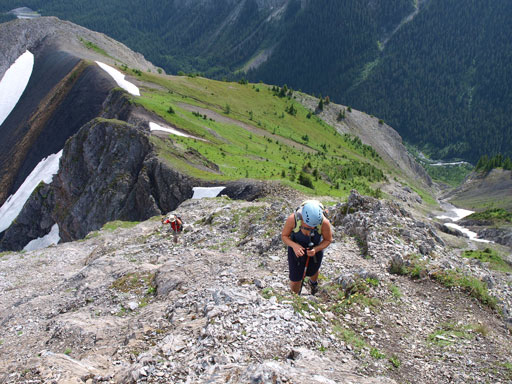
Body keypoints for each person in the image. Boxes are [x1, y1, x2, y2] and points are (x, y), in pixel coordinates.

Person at [281, 200, 332, 295]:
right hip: (296, 249)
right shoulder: (293, 219)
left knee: (313, 270)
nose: (312, 228)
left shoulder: (324, 222)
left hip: (315, 247)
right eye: (309, 225)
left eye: (314, 226)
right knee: (295, 278)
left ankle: (313, 283)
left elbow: (328, 240)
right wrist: (294, 246)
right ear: (303, 218)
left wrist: (316, 249)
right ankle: (295, 297)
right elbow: (284, 236)